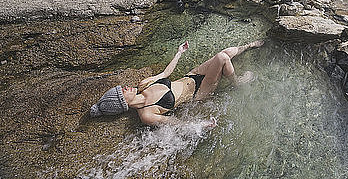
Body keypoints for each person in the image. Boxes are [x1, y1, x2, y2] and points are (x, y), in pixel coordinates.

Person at [90, 39, 264, 126]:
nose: (125, 87)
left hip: (192, 75)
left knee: (224, 52)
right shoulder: (147, 115)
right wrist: (199, 125)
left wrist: (179, 52)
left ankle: (248, 46)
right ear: (123, 102)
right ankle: (237, 83)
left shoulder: (143, 84)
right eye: (122, 91)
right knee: (222, 58)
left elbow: (166, 73)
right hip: (199, 93)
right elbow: (174, 122)